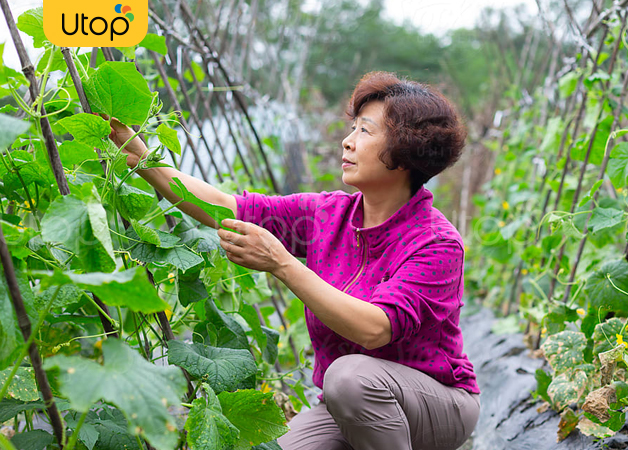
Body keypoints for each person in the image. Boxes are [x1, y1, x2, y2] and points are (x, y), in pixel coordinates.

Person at [107, 71, 480, 450]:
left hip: (434, 404)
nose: (347, 142)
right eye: (353, 128)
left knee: (349, 378)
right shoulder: (328, 215)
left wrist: (282, 264)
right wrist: (140, 156)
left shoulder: (435, 242)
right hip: (346, 403)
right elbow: (226, 208)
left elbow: (375, 329)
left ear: (404, 152)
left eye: (365, 132)